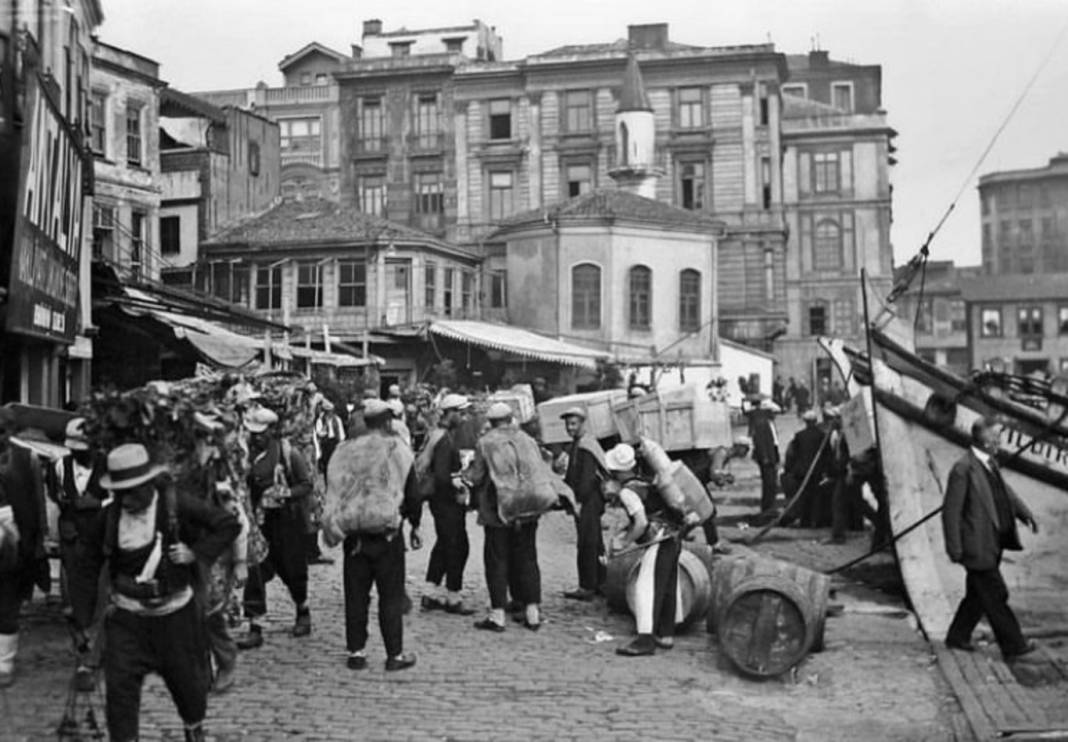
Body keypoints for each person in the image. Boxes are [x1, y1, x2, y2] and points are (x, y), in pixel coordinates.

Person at [69, 443, 240, 742]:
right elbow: (85, 566)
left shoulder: (175, 505)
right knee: (119, 693)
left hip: (175, 617)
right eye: (123, 492)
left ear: (148, 484)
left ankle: (193, 727)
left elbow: (227, 525)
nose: (129, 498)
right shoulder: (108, 518)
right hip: (127, 619)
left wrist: (195, 553)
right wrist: (82, 620)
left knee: (189, 687)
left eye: (134, 490)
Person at [324, 400, 421, 672]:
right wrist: (414, 523)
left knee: (356, 595)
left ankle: (356, 652)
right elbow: (412, 492)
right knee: (390, 595)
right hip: (387, 535)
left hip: (354, 536)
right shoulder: (398, 449)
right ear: (388, 421)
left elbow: (334, 483)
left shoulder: (345, 450)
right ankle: (394, 656)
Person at [943, 417, 1040, 662]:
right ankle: (1014, 645)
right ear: (985, 440)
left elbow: (1004, 491)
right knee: (996, 594)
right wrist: (955, 549)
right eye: (996, 436)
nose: (1000, 441)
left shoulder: (988, 464)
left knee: (977, 595)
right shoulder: (963, 469)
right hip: (976, 546)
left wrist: (1024, 513)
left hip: (992, 542)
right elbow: (951, 512)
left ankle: (957, 636)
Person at [602, 444, 693, 656]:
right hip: (673, 535)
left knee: (647, 587)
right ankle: (666, 635)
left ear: (618, 471)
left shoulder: (628, 491)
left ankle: (645, 640)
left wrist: (625, 542)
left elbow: (641, 523)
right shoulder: (646, 481)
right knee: (668, 584)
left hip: (658, 539)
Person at [237, 406, 315, 650]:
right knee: (255, 572)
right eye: (252, 432)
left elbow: (306, 483)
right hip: (257, 522)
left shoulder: (287, 452)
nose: (256, 436)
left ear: (272, 430)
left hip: (284, 522)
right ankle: (255, 625)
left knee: (292, 570)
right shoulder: (245, 453)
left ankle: (303, 610)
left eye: (260, 432)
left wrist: (286, 493)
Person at [465, 403, 546, 632]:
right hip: (529, 507)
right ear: (511, 418)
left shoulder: (486, 442)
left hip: (498, 509)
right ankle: (532, 613)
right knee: (528, 558)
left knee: (497, 559)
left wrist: (467, 474)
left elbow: (478, 476)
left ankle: (497, 615)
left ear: (491, 422)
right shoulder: (527, 440)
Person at [48, 417, 107, 690]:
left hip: (102, 534)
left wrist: (101, 502)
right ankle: (84, 650)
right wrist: (65, 522)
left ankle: (98, 647)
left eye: (83, 449)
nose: (78, 454)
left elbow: (120, 496)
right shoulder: (59, 466)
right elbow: (55, 497)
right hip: (74, 536)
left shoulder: (107, 465)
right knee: (77, 593)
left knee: (102, 592)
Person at [0, 407, 46, 689]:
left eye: (4, 431)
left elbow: (37, 501)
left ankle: (4, 662)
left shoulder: (26, 458)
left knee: (7, 602)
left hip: (16, 543)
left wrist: (39, 540)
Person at [421, 394, 476, 615]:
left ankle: (430, 593)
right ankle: (453, 597)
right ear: (450, 413)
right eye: (460, 413)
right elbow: (443, 476)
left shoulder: (438, 435)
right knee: (458, 547)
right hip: (447, 503)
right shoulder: (445, 440)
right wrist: (460, 486)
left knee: (443, 546)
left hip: (439, 502)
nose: (464, 417)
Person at [560, 407, 608, 601]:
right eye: (567, 424)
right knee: (595, 541)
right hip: (589, 499)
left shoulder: (586, 446)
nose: (570, 428)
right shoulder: (579, 443)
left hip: (588, 499)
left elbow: (587, 478)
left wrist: (578, 501)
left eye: (573, 424)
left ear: (582, 423)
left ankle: (587, 585)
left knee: (587, 542)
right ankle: (601, 582)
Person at [781, 410, 830, 527]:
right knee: (816, 497)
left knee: (804, 497)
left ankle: (805, 521)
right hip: (816, 471)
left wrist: (790, 469)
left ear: (806, 422)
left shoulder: (799, 436)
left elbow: (793, 454)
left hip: (802, 472)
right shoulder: (822, 436)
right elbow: (826, 455)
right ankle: (816, 521)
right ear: (815, 421)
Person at [748, 397, 781, 514]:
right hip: (766, 457)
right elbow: (761, 442)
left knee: (772, 483)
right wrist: (765, 457)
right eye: (773, 412)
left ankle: (770, 505)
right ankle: (767, 507)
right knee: (768, 483)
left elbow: (774, 441)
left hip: (772, 453)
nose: (775, 415)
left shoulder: (770, 423)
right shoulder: (762, 424)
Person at [315, 400, 346, 475]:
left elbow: (341, 431)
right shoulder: (320, 420)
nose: (330, 413)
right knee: (326, 462)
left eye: (331, 411)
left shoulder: (337, 419)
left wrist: (341, 442)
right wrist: (325, 427)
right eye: (328, 411)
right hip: (325, 443)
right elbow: (319, 433)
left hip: (335, 441)